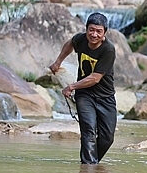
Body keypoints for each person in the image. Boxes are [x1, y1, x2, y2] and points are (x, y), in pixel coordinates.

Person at [50, 12, 117, 164]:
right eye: (91, 30)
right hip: (85, 95)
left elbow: (95, 78)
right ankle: (88, 168)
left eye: (98, 31)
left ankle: (92, 162)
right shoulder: (80, 39)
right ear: (86, 29)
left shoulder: (108, 50)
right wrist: (58, 62)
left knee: (107, 138)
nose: (94, 34)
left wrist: (71, 86)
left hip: (105, 97)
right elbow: (70, 44)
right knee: (88, 130)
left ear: (104, 32)